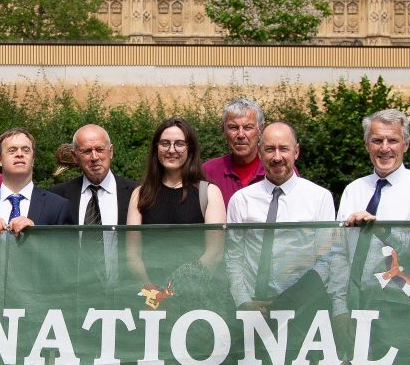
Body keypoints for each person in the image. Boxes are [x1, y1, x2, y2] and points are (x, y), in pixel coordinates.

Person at [225, 122, 336, 307]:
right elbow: (233, 257)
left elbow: (325, 258)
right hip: (252, 306)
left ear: (296, 151)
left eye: (284, 149)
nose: (277, 157)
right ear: (260, 153)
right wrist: (242, 300)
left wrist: (294, 301)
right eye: (269, 149)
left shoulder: (319, 197)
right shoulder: (241, 199)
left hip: (302, 307)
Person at [127, 117, 226, 289]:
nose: (171, 150)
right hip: (151, 299)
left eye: (179, 144)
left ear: (190, 148)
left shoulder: (209, 193)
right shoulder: (140, 194)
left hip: (195, 295)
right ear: (156, 148)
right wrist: (151, 291)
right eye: (165, 143)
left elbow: (214, 253)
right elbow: (132, 254)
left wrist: (179, 289)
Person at [338, 108, 410, 225]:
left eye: (392, 140)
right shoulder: (353, 190)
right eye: (377, 140)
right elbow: (339, 240)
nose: (385, 148)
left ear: (406, 145)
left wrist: (378, 231)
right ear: (367, 145)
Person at [0, 128, 70, 233]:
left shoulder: (58, 207)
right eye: (12, 150)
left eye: (26, 150)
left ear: (33, 160)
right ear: (0, 160)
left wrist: (37, 236)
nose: (19, 154)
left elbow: (66, 251)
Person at [51, 124, 138, 227]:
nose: (94, 157)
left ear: (111, 152)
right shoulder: (58, 195)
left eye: (100, 149)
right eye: (87, 151)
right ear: (75, 156)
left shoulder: (136, 194)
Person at [201, 97, 266, 205]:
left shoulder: (277, 169)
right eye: (233, 127)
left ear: (261, 129)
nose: (241, 135)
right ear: (223, 129)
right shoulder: (208, 172)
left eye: (248, 127)